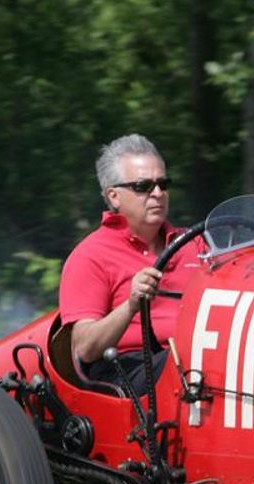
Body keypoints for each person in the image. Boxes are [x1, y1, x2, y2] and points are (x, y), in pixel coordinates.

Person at [59, 134, 206, 394]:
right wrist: (130, 306)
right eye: (143, 186)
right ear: (114, 196)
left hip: (200, 356)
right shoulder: (90, 256)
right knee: (198, 363)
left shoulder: (194, 243)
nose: (158, 193)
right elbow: (85, 348)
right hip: (130, 369)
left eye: (163, 184)